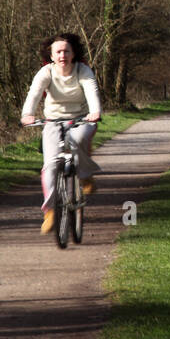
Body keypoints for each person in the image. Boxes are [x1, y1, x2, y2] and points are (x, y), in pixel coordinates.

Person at [21, 33, 102, 234]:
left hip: (82, 118)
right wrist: (27, 114)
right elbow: (34, 93)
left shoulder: (82, 71)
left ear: (73, 53)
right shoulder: (46, 72)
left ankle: (84, 176)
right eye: (58, 51)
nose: (62, 55)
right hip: (52, 122)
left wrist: (95, 112)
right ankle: (50, 212)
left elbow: (92, 91)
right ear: (51, 54)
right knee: (49, 165)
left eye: (66, 51)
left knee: (77, 139)